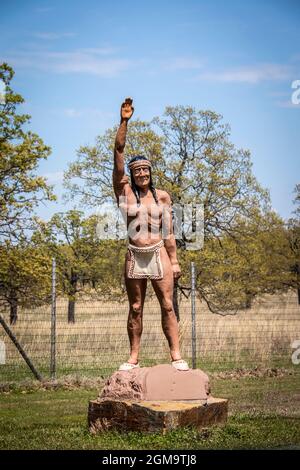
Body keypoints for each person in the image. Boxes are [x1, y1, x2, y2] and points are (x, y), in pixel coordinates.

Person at [113, 97, 189, 372]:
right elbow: (118, 152)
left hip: (158, 253)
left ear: (150, 172)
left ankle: (176, 355)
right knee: (135, 307)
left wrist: (175, 260)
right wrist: (124, 121)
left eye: (145, 169)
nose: (142, 173)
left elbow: (169, 231)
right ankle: (133, 356)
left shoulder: (162, 197)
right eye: (137, 171)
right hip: (135, 254)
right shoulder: (123, 192)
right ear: (131, 174)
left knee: (167, 305)